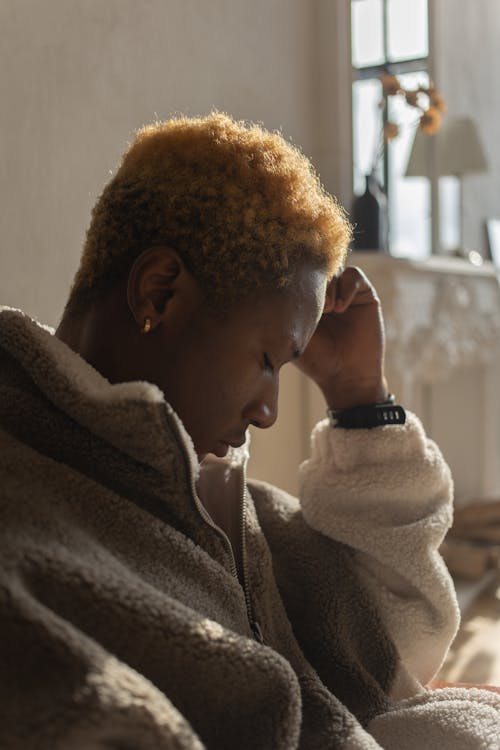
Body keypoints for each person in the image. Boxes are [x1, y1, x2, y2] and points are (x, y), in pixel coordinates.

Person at [0, 112, 498, 750]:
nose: (269, 412)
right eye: (268, 361)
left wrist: (358, 398)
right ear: (158, 293)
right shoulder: (31, 513)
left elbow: (397, 648)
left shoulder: (226, 506)